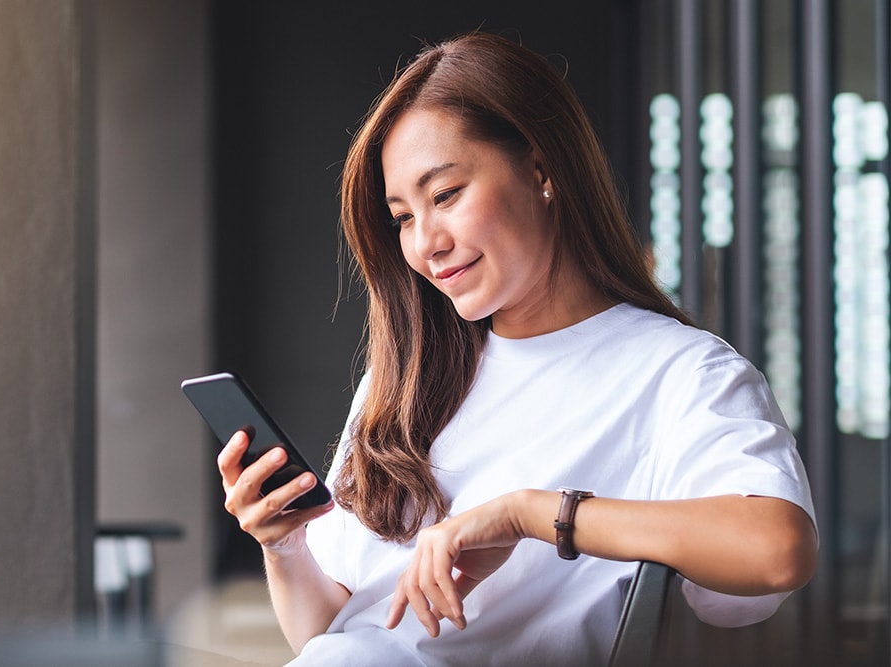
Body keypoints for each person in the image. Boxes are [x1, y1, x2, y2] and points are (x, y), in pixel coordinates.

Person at [216, 31, 817, 666]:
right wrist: (283, 547)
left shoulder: (681, 375)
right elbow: (329, 634)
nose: (426, 243)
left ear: (541, 169)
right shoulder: (407, 379)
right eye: (402, 217)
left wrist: (531, 514)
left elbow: (778, 549)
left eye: (445, 195)